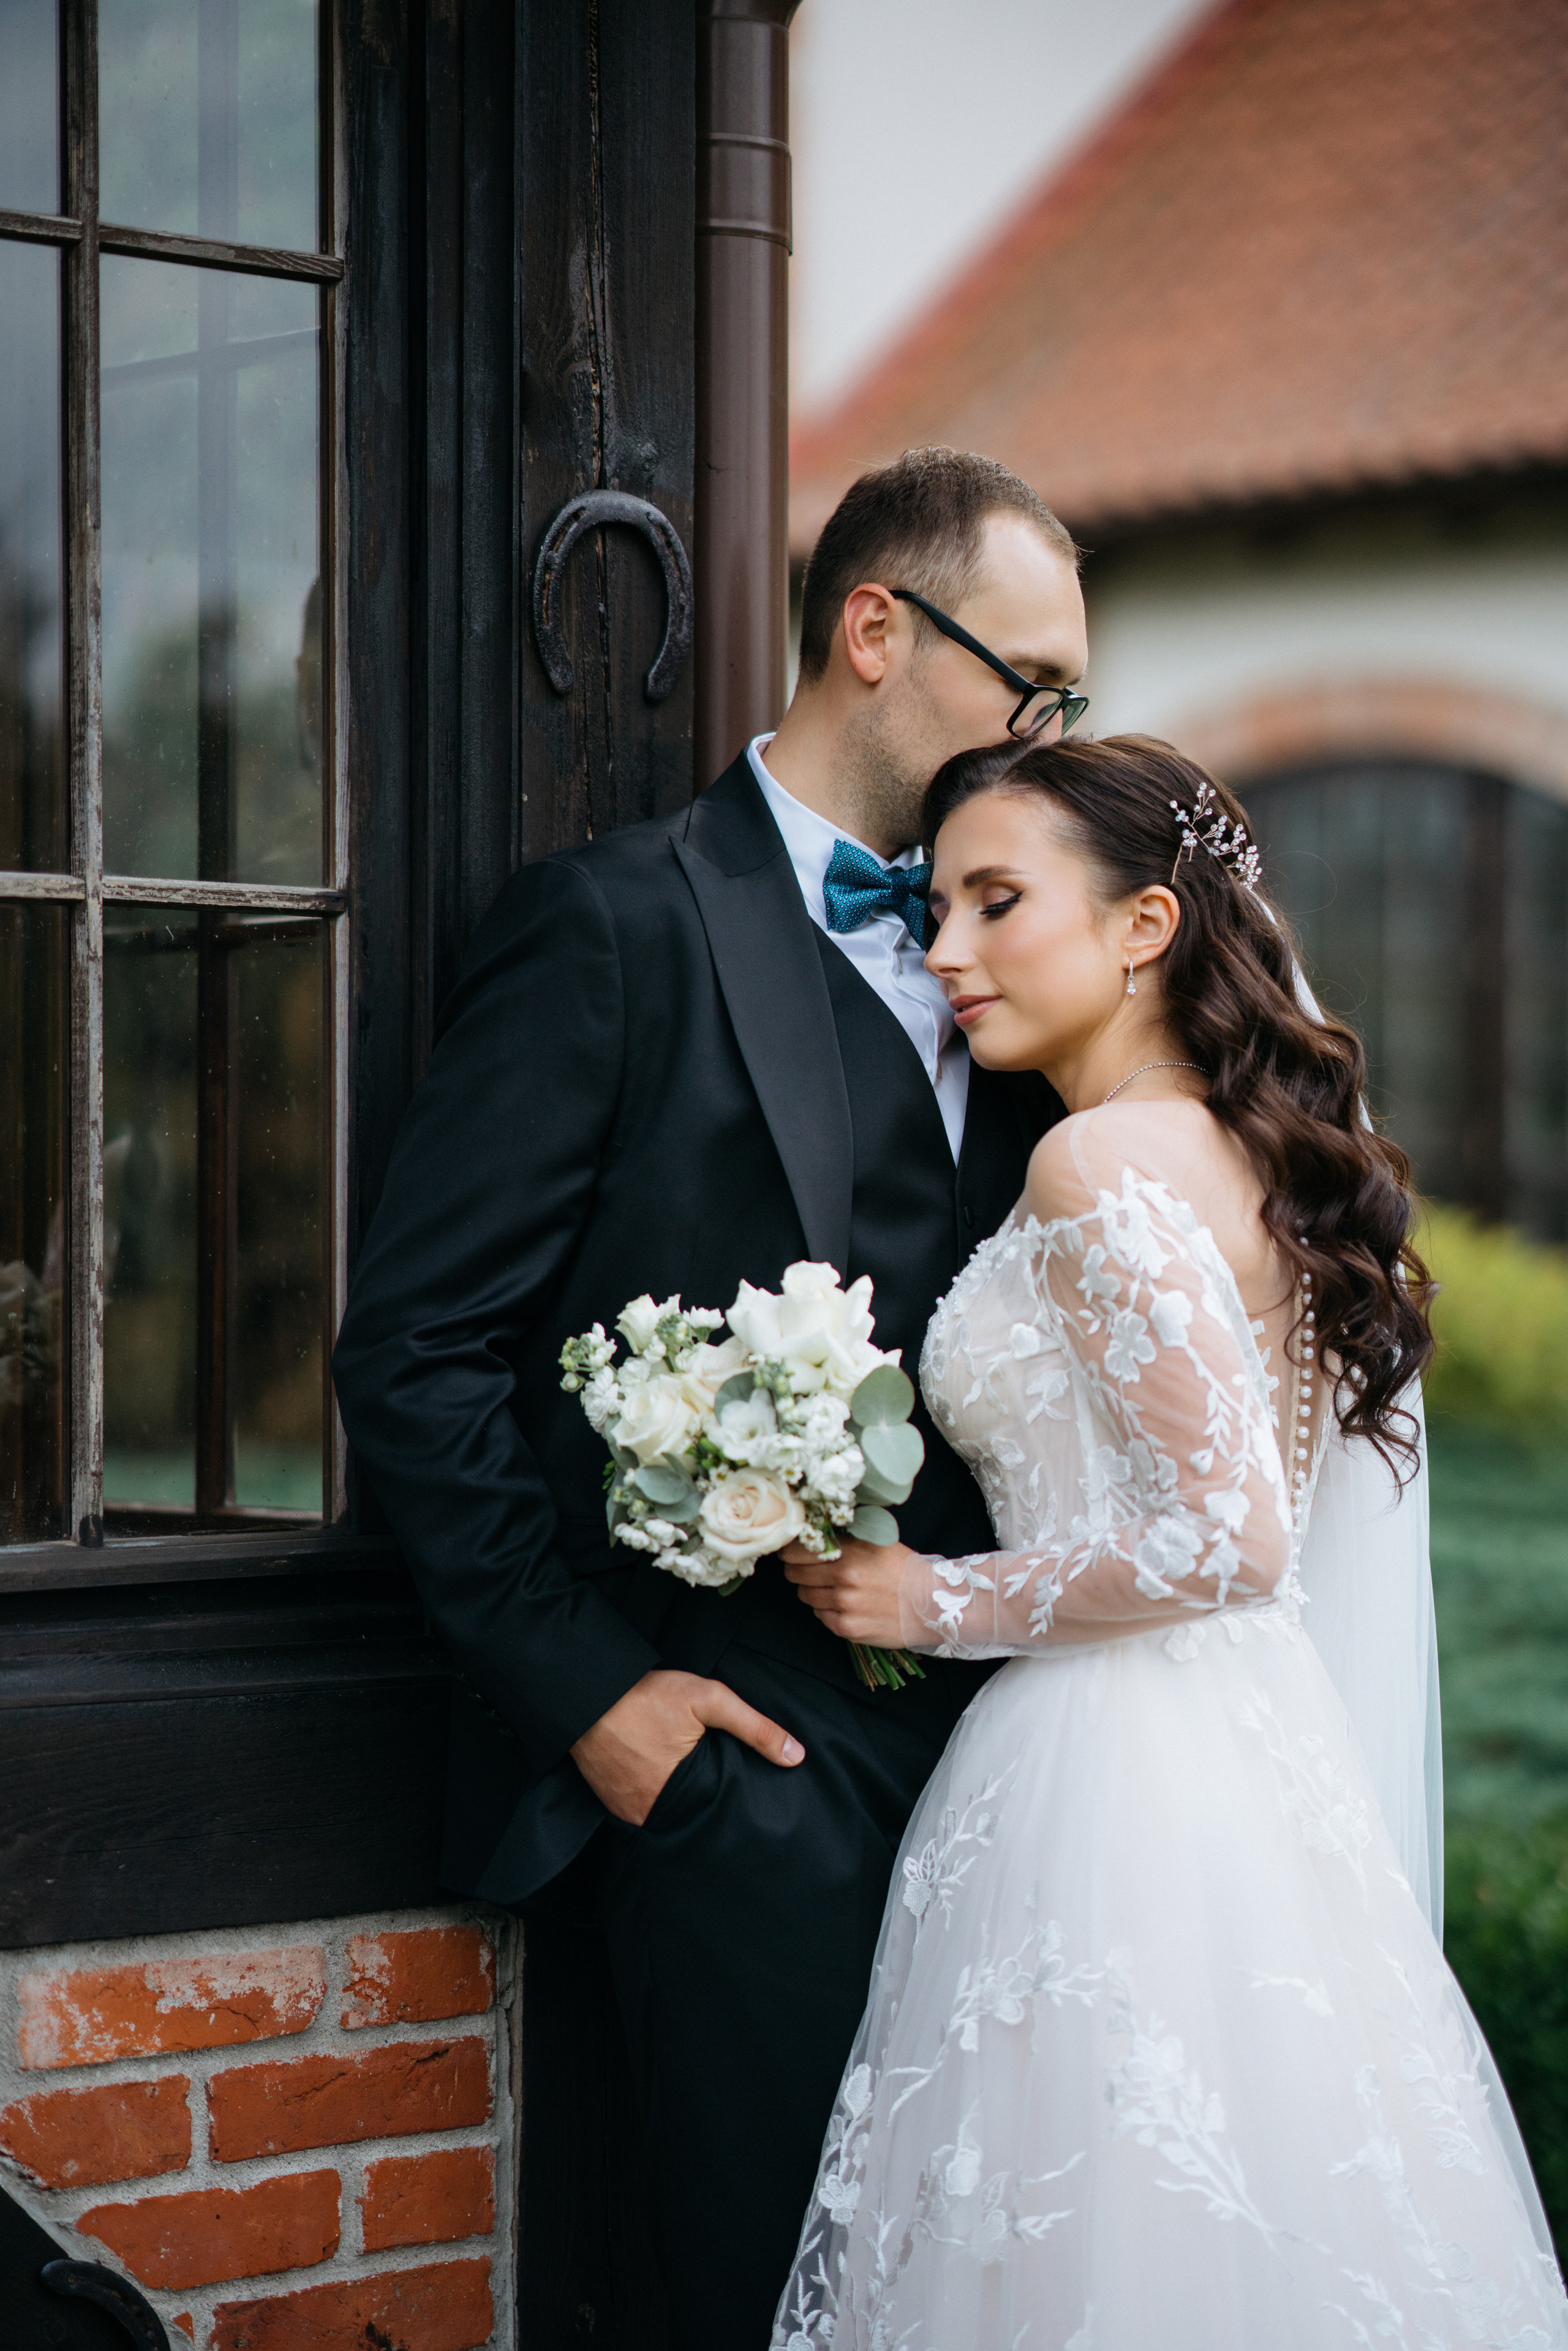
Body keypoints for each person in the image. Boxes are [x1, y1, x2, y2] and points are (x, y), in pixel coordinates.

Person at [331, 448, 1088, 2342]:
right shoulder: (610, 930)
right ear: (874, 632)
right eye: (1035, 686)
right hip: (730, 1785)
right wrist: (594, 1700)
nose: (1059, 733)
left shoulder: (1034, 960)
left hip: (1013, 1784)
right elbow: (412, 1352)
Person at [775, 734, 1568, 2349]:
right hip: (1258, 1767)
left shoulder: (1089, 1165)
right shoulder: (1256, 1158)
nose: (945, 952)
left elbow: (1231, 1538)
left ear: (1144, 927)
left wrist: (928, 1595)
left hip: (1110, 1772)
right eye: (938, 909)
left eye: (998, 903)